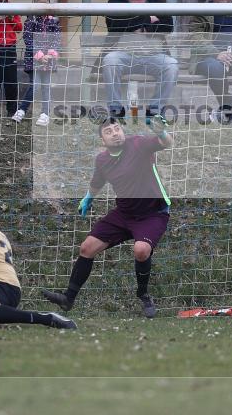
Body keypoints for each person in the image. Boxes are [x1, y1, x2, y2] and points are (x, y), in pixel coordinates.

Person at [42, 116, 174, 318]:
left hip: (152, 213)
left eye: (117, 128)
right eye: (109, 131)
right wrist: (88, 197)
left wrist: (161, 132)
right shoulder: (102, 160)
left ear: (123, 131)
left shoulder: (138, 143)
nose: (115, 133)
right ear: (103, 140)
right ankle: (68, 298)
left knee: (141, 250)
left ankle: (143, 294)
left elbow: (166, 143)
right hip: (124, 213)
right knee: (87, 247)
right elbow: (97, 181)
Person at [103, 0, 177, 120]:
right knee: (110, 61)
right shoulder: (115, 1)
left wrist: (137, 24)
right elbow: (115, 25)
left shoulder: (156, 1)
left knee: (171, 65)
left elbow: (168, 26)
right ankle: (116, 111)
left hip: (154, 56)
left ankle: (155, 112)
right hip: (124, 55)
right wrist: (149, 19)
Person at [15, 0, 61, 126]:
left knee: (46, 86)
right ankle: (22, 110)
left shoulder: (54, 21)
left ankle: (45, 114)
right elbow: (28, 40)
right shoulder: (30, 21)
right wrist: (40, 55)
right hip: (34, 60)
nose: (43, 6)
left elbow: (57, 39)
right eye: (40, 3)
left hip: (49, 60)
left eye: (46, 2)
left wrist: (51, 54)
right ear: (35, 3)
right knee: (34, 85)